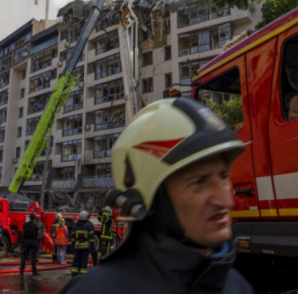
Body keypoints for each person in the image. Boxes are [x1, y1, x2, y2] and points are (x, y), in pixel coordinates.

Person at [59, 98, 254, 294]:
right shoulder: (95, 290)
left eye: (223, 176)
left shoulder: (237, 286)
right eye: (199, 182)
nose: (226, 201)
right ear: (149, 201)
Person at [70, 210, 94, 277]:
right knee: (84, 260)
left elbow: (72, 237)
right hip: (85, 246)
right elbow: (92, 238)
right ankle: (83, 275)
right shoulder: (88, 226)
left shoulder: (75, 226)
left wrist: (73, 245)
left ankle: (74, 274)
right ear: (86, 217)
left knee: (76, 260)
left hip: (77, 246)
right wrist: (91, 246)